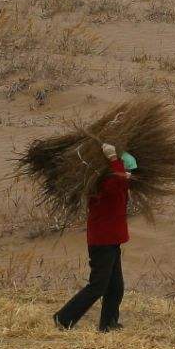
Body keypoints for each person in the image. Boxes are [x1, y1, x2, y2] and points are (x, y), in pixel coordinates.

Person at [53, 142, 137, 332]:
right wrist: (114, 159)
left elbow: (121, 183)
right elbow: (118, 183)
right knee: (98, 286)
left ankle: (108, 324)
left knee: (115, 286)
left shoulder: (113, 182)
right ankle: (63, 318)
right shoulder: (104, 184)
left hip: (111, 240)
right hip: (103, 242)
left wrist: (120, 169)